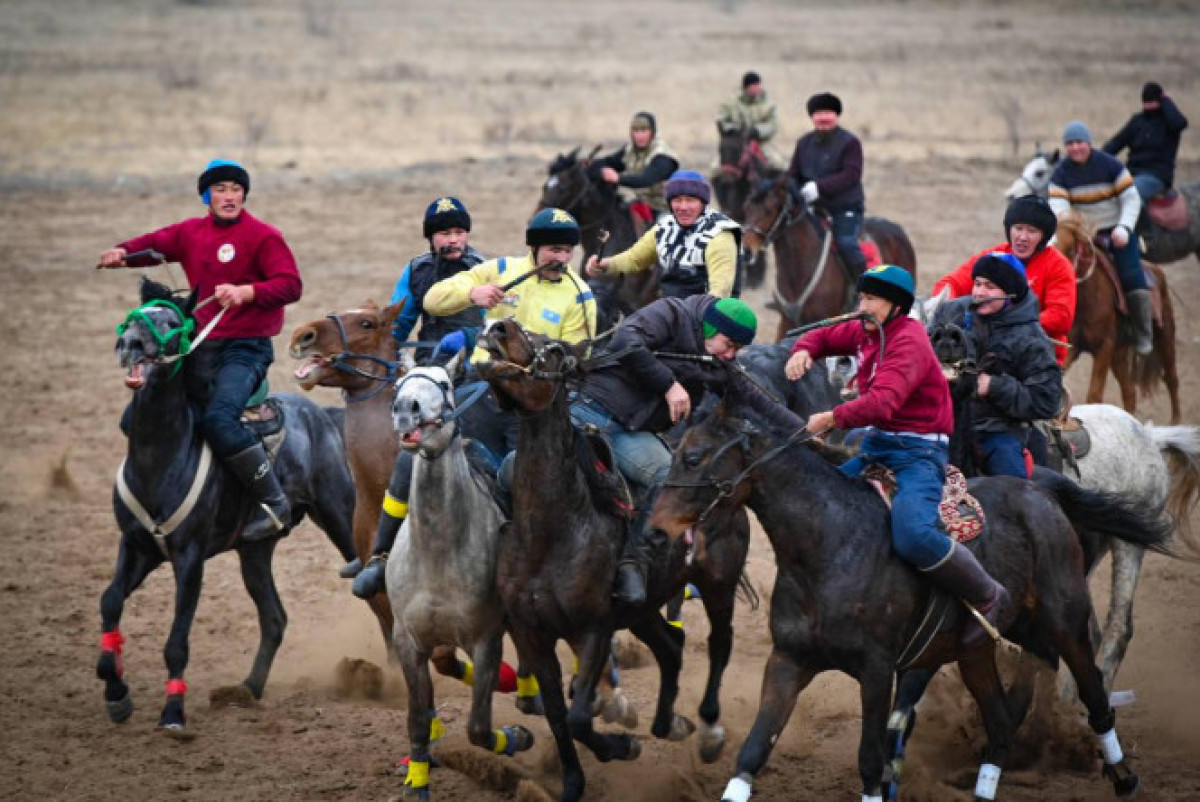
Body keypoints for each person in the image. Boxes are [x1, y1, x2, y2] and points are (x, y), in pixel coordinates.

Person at [352, 208, 597, 599]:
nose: (562, 260)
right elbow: (433, 300)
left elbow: (577, 355)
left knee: (539, 482)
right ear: (533, 248)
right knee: (412, 456)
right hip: (479, 392)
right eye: (554, 250)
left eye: (568, 251)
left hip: (531, 407)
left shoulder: (580, 294)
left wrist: (534, 359)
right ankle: (381, 555)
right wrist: (472, 294)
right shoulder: (499, 268)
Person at [784, 265, 1007, 645]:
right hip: (878, 444)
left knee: (913, 535)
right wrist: (803, 349)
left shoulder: (910, 342)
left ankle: (988, 594)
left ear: (897, 306)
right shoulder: (867, 327)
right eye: (861, 297)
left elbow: (882, 403)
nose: (862, 305)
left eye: (871, 298)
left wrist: (829, 418)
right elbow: (823, 336)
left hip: (919, 452)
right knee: (825, 506)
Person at [97, 158, 302, 541]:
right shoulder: (191, 233)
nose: (229, 196)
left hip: (246, 350)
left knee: (219, 420)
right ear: (207, 196)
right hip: (199, 346)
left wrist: (247, 292)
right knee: (134, 419)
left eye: (236, 189)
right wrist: (122, 253)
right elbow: (154, 246)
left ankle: (274, 502)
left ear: (244, 194)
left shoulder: (264, 236)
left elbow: (291, 285)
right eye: (220, 190)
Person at [572, 296, 802, 607]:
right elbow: (626, 340)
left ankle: (633, 565)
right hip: (589, 412)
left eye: (737, 350)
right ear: (711, 327)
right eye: (728, 344)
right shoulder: (670, 313)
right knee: (517, 469)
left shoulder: (719, 361)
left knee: (669, 477)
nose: (730, 355)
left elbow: (752, 398)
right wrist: (669, 385)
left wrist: (804, 430)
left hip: (633, 433)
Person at [930, 253, 1063, 477]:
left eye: (990, 287)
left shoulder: (1032, 338)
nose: (979, 292)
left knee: (1010, 488)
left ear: (1011, 293)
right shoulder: (951, 314)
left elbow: (1047, 400)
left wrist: (993, 386)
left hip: (996, 430)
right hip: (943, 423)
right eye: (977, 283)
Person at [933, 195, 1075, 366]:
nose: (1023, 237)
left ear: (1043, 237)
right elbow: (948, 285)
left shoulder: (1059, 266)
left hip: (1039, 356)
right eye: (1018, 228)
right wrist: (952, 317)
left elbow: (1061, 317)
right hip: (986, 350)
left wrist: (1009, 325)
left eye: (1032, 231)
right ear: (1009, 229)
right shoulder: (993, 257)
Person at [1048, 121, 1150, 355]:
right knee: (1062, 270)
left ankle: (1142, 331)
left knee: (1131, 274)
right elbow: (1059, 206)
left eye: (1079, 142)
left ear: (1089, 143)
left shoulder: (1111, 165)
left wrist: (1124, 227)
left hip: (1116, 232)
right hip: (1082, 234)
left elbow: (1131, 198)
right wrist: (1075, 228)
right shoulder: (1061, 173)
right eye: (1070, 143)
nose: (1075, 147)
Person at [585, 170, 741, 299]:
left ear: (703, 202)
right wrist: (606, 264)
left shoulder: (720, 235)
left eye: (690, 200)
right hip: (671, 309)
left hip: (709, 315)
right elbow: (635, 259)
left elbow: (720, 291)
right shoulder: (666, 227)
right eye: (677, 200)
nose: (683, 207)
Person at [390, 196, 487, 361]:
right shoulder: (416, 270)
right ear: (431, 238)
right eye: (445, 234)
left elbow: (497, 327)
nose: (454, 240)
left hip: (476, 366)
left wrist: (468, 338)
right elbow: (398, 325)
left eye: (459, 232)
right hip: (429, 364)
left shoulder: (485, 270)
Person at [786, 91, 868, 277]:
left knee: (846, 243)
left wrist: (819, 188)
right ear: (812, 117)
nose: (823, 118)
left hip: (845, 208)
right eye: (818, 113)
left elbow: (852, 174)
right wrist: (795, 190)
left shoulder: (850, 143)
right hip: (812, 209)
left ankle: (864, 289)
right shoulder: (804, 143)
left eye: (828, 113)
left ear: (836, 115)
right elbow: (793, 174)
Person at [1102, 81, 1189, 202]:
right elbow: (1116, 143)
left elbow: (1180, 124)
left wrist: (1167, 101)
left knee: (1130, 193)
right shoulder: (1137, 121)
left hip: (1156, 176)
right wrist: (1096, 159)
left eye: (1153, 101)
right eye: (1147, 102)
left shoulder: (1169, 123)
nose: (1149, 105)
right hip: (1131, 173)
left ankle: (1142, 222)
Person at [589, 111, 680, 220]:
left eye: (644, 131)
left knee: (663, 232)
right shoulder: (630, 150)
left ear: (652, 132)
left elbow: (646, 179)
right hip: (640, 204)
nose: (640, 136)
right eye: (636, 131)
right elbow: (609, 162)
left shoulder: (663, 156)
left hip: (664, 208)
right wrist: (589, 164)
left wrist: (617, 178)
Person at [715, 71, 787, 170]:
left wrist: (757, 131)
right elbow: (721, 119)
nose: (756, 88)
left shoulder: (768, 104)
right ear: (746, 87)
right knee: (715, 169)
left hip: (761, 143)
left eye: (757, 85)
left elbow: (774, 125)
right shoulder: (731, 104)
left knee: (779, 165)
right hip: (736, 144)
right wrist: (733, 130)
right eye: (753, 85)